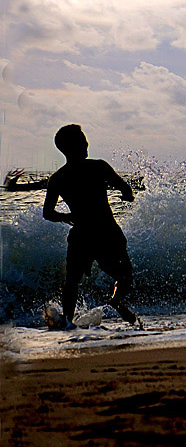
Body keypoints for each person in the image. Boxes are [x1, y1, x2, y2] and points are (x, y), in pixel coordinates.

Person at [43, 124, 140, 330]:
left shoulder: (58, 178)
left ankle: (68, 322)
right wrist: (127, 196)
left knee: (72, 282)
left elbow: (48, 213)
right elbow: (124, 187)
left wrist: (65, 216)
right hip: (107, 232)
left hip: (81, 234)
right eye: (83, 140)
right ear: (75, 146)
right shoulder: (99, 167)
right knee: (125, 276)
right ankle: (116, 301)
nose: (87, 143)